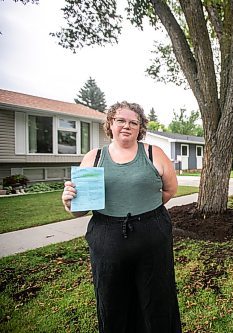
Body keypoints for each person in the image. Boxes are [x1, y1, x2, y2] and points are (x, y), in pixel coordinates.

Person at [61, 101, 182, 332]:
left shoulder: (153, 153)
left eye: (133, 122)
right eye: (121, 120)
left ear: (140, 127)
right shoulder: (94, 158)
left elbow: (169, 190)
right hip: (107, 238)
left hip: (152, 236)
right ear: (110, 123)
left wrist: (144, 214)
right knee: (111, 299)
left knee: (157, 297)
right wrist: (69, 201)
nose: (127, 126)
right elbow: (79, 209)